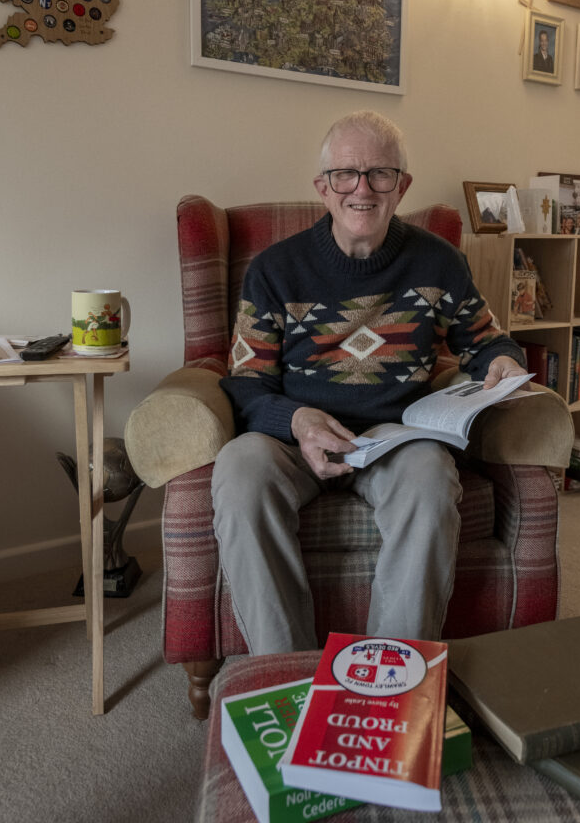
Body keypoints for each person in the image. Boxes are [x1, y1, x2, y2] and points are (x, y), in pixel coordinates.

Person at [211, 111, 528, 655]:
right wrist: (298, 421)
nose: (362, 188)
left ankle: (389, 676)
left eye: (380, 173)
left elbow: (485, 339)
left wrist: (501, 360)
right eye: (345, 174)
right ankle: (286, 671)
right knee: (239, 470)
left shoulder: (439, 261)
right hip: (295, 437)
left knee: (431, 475)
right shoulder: (274, 270)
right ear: (323, 188)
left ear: (401, 186)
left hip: (394, 436)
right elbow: (246, 383)